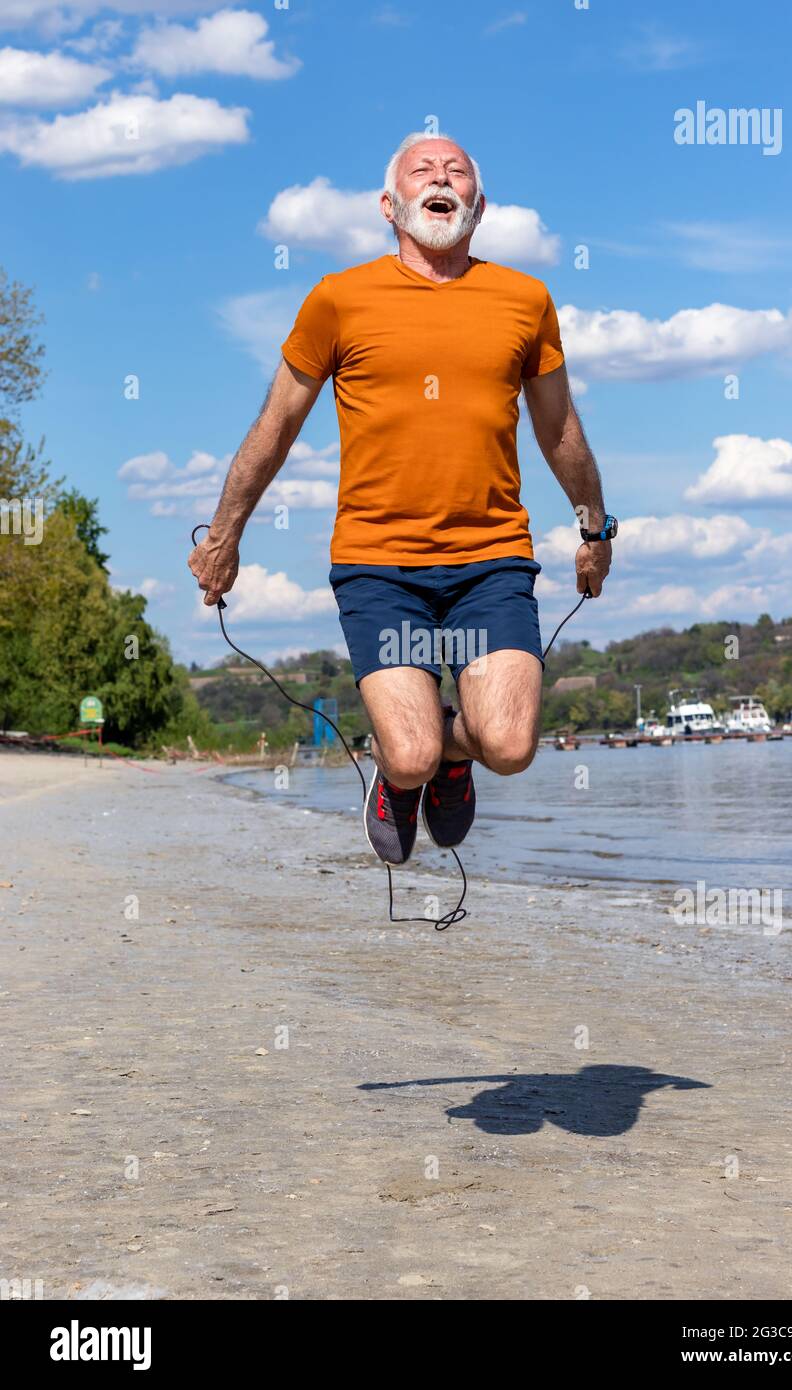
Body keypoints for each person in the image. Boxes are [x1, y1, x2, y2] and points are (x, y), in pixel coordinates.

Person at [189, 132, 614, 867]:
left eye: (457, 173)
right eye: (423, 170)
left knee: (509, 747)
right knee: (409, 755)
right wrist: (224, 536)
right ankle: (412, 769)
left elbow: (559, 427)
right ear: (390, 205)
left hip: (492, 561)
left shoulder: (525, 299)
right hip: (379, 566)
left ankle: (458, 757)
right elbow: (278, 422)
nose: (441, 178)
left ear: (477, 208)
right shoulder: (338, 298)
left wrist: (594, 527)